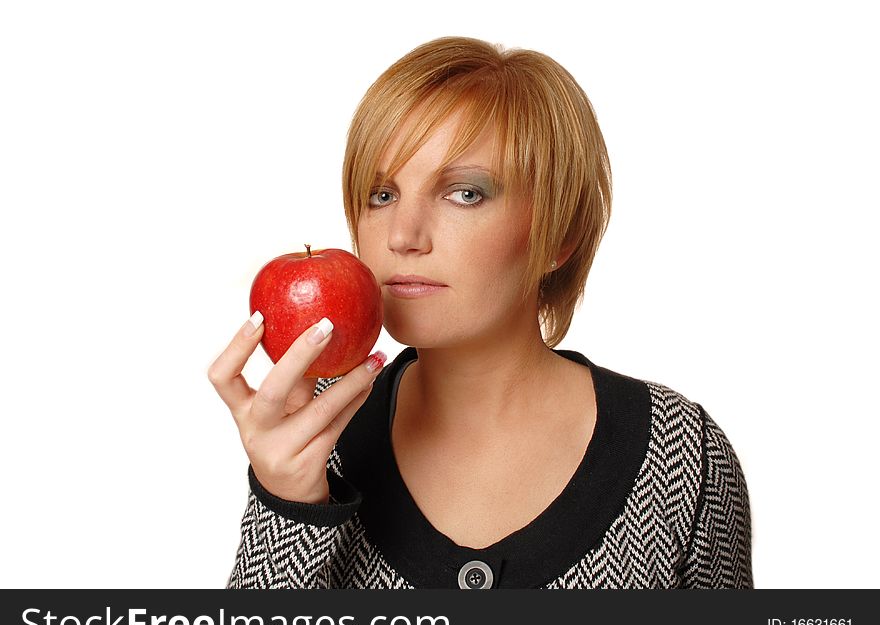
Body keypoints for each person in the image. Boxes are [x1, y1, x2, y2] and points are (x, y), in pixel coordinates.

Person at [209, 36, 753, 589]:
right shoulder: (315, 435)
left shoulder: (681, 456)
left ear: (557, 234)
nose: (402, 236)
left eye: (465, 193)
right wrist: (287, 507)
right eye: (381, 195)